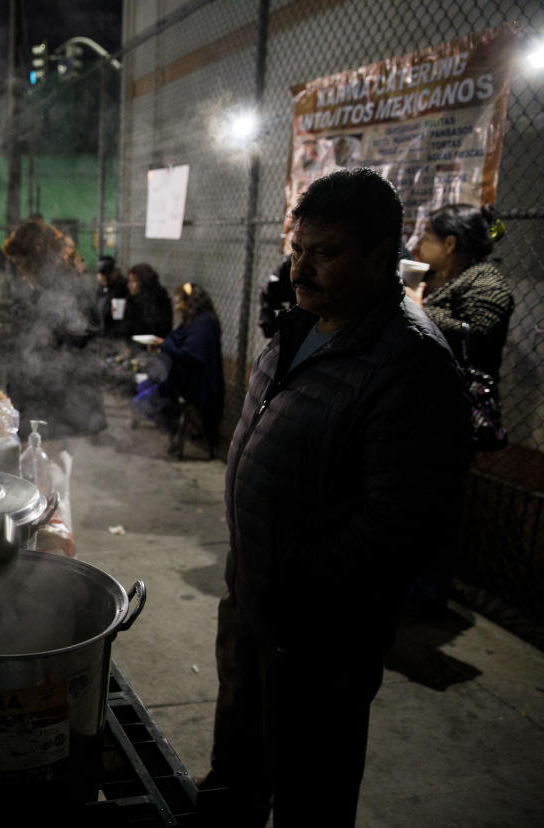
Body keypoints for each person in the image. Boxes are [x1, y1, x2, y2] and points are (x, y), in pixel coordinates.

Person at [200, 169, 470, 827]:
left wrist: (296, 572)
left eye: (326, 253)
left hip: (323, 632)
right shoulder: (300, 325)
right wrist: (255, 572)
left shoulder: (408, 363)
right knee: (237, 763)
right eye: (298, 249)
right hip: (256, 595)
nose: (302, 268)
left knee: (310, 786)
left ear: (381, 258)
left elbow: (401, 522)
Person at [0, 218, 106, 437]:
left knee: (49, 465)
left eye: (21, 262)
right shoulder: (42, 289)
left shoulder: (70, 289)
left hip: (63, 405)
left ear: (37, 259)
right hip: (44, 402)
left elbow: (75, 343)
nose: (18, 270)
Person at [405, 203, 514, 382]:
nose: (420, 243)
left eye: (426, 237)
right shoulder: (427, 276)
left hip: (459, 394)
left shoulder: (484, 280)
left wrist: (418, 311)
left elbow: (477, 334)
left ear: (449, 243)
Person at [131, 282, 224, 457]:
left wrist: (163, 344)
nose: (176, 306)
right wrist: (161, 345)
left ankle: (179, 429)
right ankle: (176, 429)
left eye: (179, 302)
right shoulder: (192, 321)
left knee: (146, 398)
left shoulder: (203, 324)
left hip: (198, 384)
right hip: (183, 377)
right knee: (144, 389)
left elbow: (191, 355)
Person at [125, 262, 173, 339]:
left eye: (133, 281)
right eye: (129, 281)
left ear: (143, 282)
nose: (129, 285)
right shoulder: (131, 300)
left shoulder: (159, 301)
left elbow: (160, 329)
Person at [95, 255, 130, 339]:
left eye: (108, 273)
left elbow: (117, 318)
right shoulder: (102, 287)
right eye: (102, 273)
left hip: (116, 336)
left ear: (115, 271)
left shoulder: (121, 288)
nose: (105, 277)